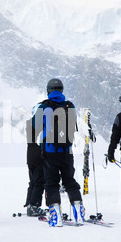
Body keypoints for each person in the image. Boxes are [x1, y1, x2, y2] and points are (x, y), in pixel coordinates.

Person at [39, 78, 84, 227]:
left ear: (48, 90)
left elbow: (34, 125)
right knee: (69, 181)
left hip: (49, 152)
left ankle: (55, 215)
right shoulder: (70, 106)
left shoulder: (44, 106)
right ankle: (78, 211)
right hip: (67, 151)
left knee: (51, 183)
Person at [24, 103, 46, 216]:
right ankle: (34, 205)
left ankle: (29, 203)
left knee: (33, 181)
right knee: (39, 182)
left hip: (30, 157)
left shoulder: (29, 124)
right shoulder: (39, 124)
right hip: (39, 156)